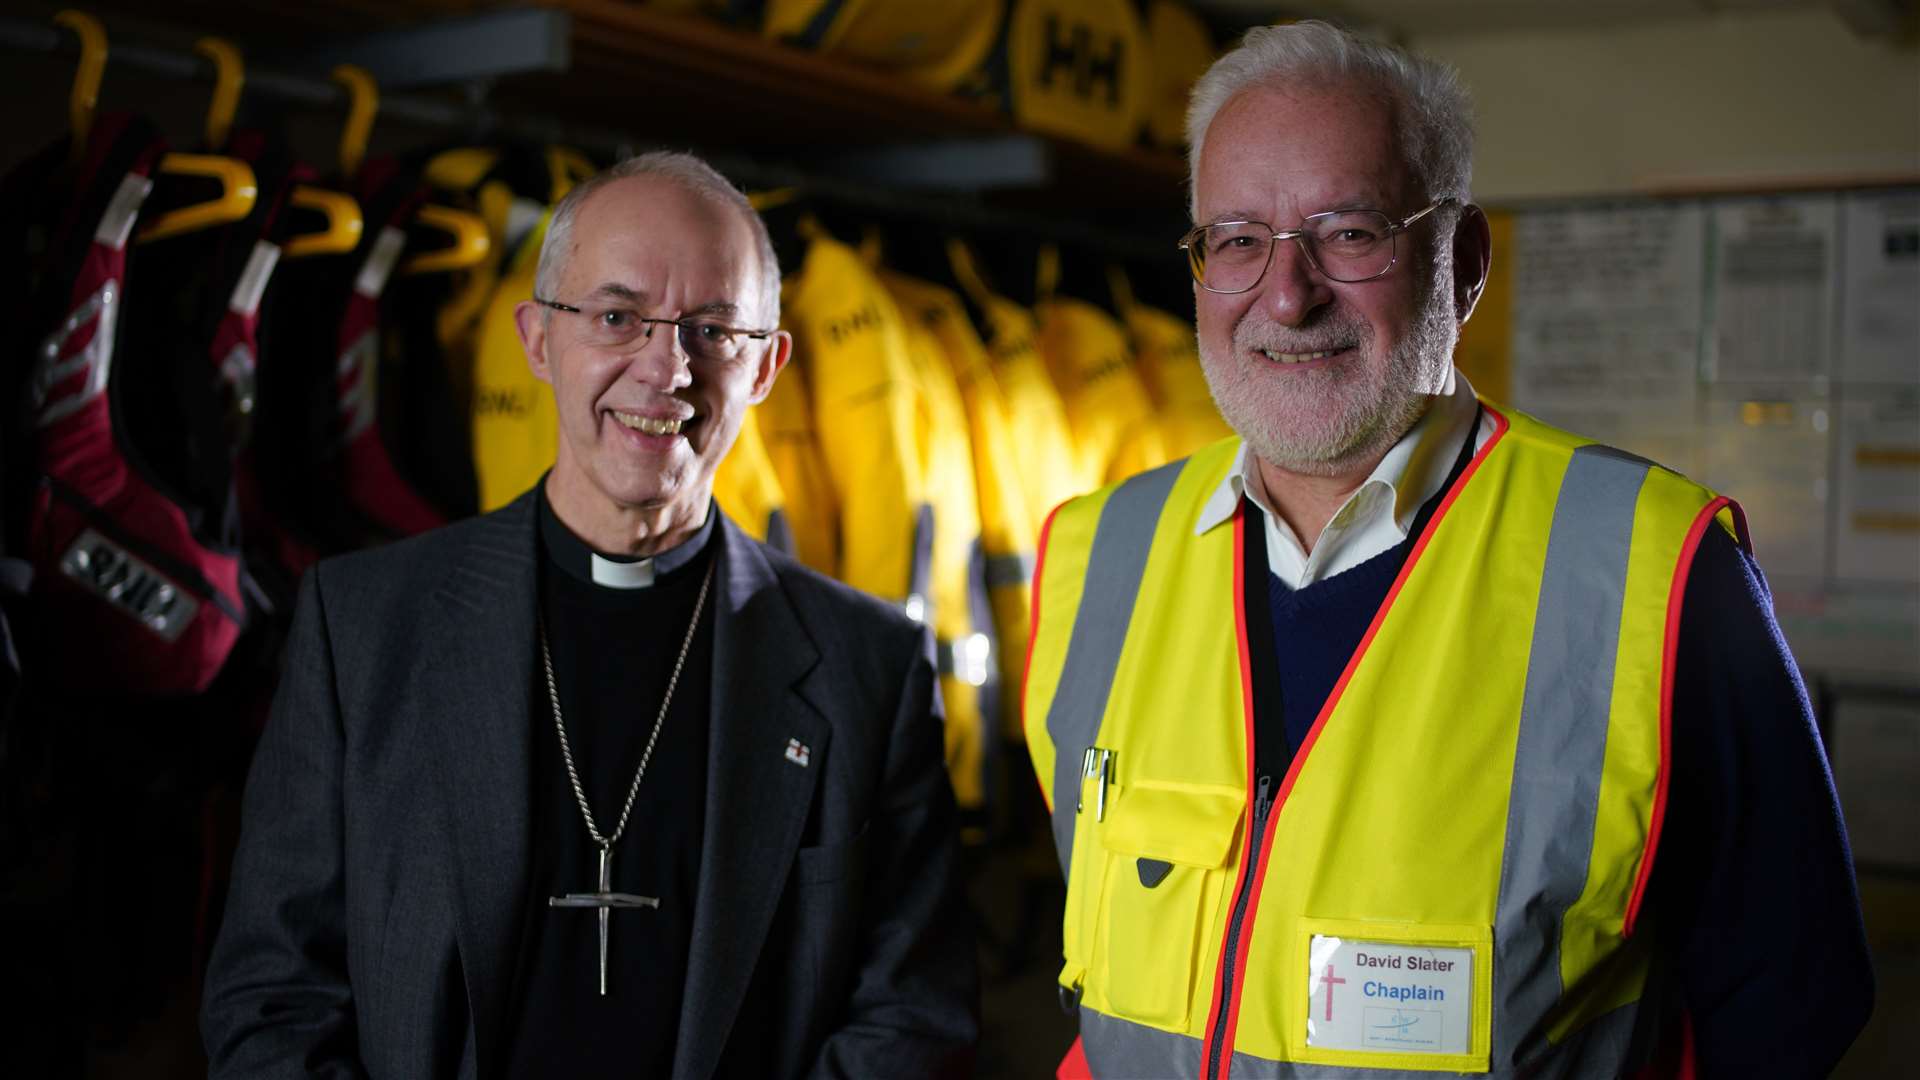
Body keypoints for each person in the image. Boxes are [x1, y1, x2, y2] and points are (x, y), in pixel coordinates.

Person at [1023, 21, 1872, 1079]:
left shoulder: (1657, 565)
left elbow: (1792, 996)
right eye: (1237, 239)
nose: (1286, 296)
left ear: (1461, 264)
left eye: (1349, 232)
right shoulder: (1093, 556)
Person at [202, 151, 978, 1079]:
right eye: (617, 318)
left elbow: (911, 1021)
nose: (666, 369)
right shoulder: (362, 629)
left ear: (767, 366)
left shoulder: (871, 669)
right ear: (537, 340)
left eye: (714, 329)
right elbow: (271, 1000)